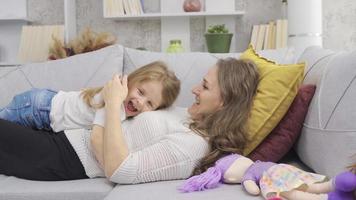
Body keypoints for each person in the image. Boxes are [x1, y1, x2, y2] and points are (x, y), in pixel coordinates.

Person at [0, 58, 260, 183]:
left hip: (66, 159)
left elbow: (121, 170)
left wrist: (112, 104)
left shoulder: (192, 145)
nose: (195, 89)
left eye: (204, 86)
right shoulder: (186, 115)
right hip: (64, 137)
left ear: (224, 101)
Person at [0, 61, 180, 132]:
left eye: (150, 104)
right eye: (140, 92)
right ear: (129, 82)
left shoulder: (125, 110)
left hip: (46, 110)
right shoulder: (113, 100)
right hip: (38, 107)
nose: (140, 102)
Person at [179, 153, 356, 200]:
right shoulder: (260, 162)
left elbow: (253, 189)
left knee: (290, 192)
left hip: (273, 177)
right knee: (306, 182)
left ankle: (326, 198)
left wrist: (257, 187)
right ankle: (333, 184)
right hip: (283, 168)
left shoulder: (249, 174)